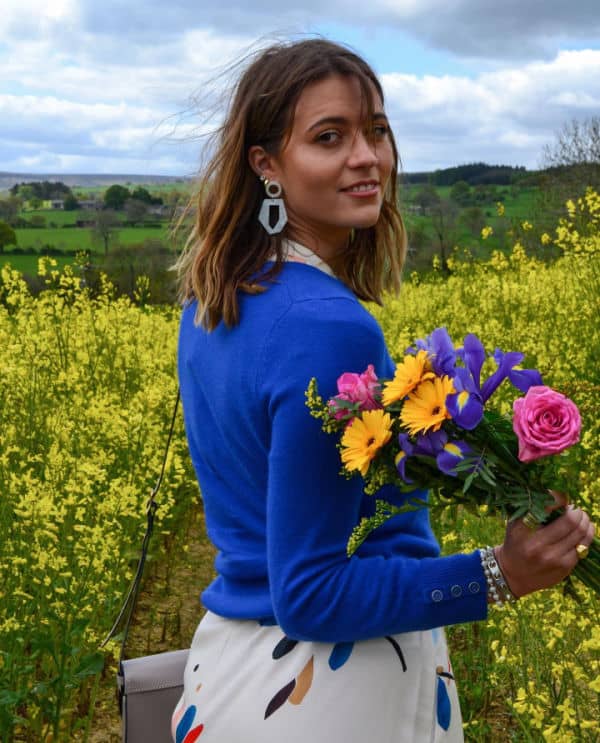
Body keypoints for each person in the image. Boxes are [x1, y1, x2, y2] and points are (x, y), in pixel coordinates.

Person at [172, 39, 595, 742]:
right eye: (328, 137)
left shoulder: (214, 300)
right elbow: (311, 594)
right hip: (335, 695)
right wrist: (499, 571)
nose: (366, 156)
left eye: (375, 130)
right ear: (267, 165)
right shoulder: (330, 328)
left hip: (229, 675)